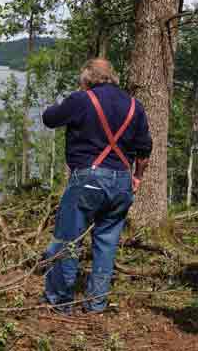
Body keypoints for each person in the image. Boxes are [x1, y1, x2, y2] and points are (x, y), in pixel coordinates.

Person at [41, 58, 152, 314]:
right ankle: (96, 303)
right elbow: (144, 149)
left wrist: (64, 101)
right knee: (106, 244)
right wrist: (137, 177)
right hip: (122, 181)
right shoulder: (135, 105)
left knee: (68, 240)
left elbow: (49, 118)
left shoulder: (82, 99)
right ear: (111, 77)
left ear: (87, 78)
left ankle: (60, 301)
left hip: (88, 180)